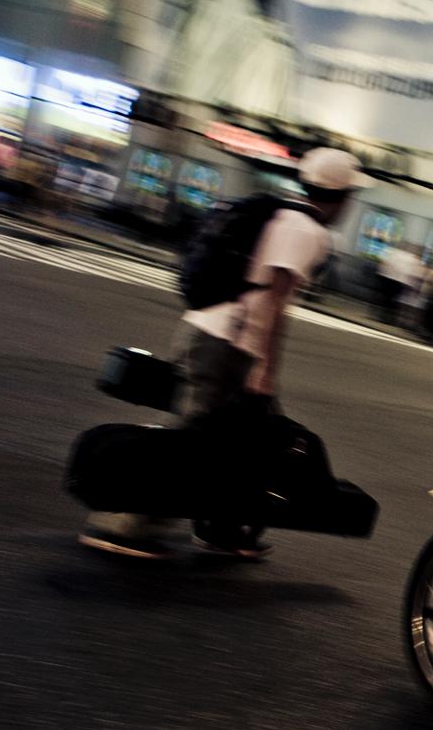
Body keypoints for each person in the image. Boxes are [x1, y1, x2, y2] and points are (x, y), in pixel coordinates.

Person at [80, 147, 363, 560]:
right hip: (225, 348)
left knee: (250, 437)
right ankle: (128, 525)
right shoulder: (308, 232)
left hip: (212, 332)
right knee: (195, 437)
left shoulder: (281, 214)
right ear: (342, 197)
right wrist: (264, 371)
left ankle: (225, 526)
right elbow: (272, 305)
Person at [378, 241, 423, 325]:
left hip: (388, 278)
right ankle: (390, 318)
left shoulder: (393, 253)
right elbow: (410, 272)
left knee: (387, 298)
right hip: (400, 281)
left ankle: (384, 316)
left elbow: (386, 264)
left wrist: (382, 274)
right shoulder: (411, 258)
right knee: (395, 300)